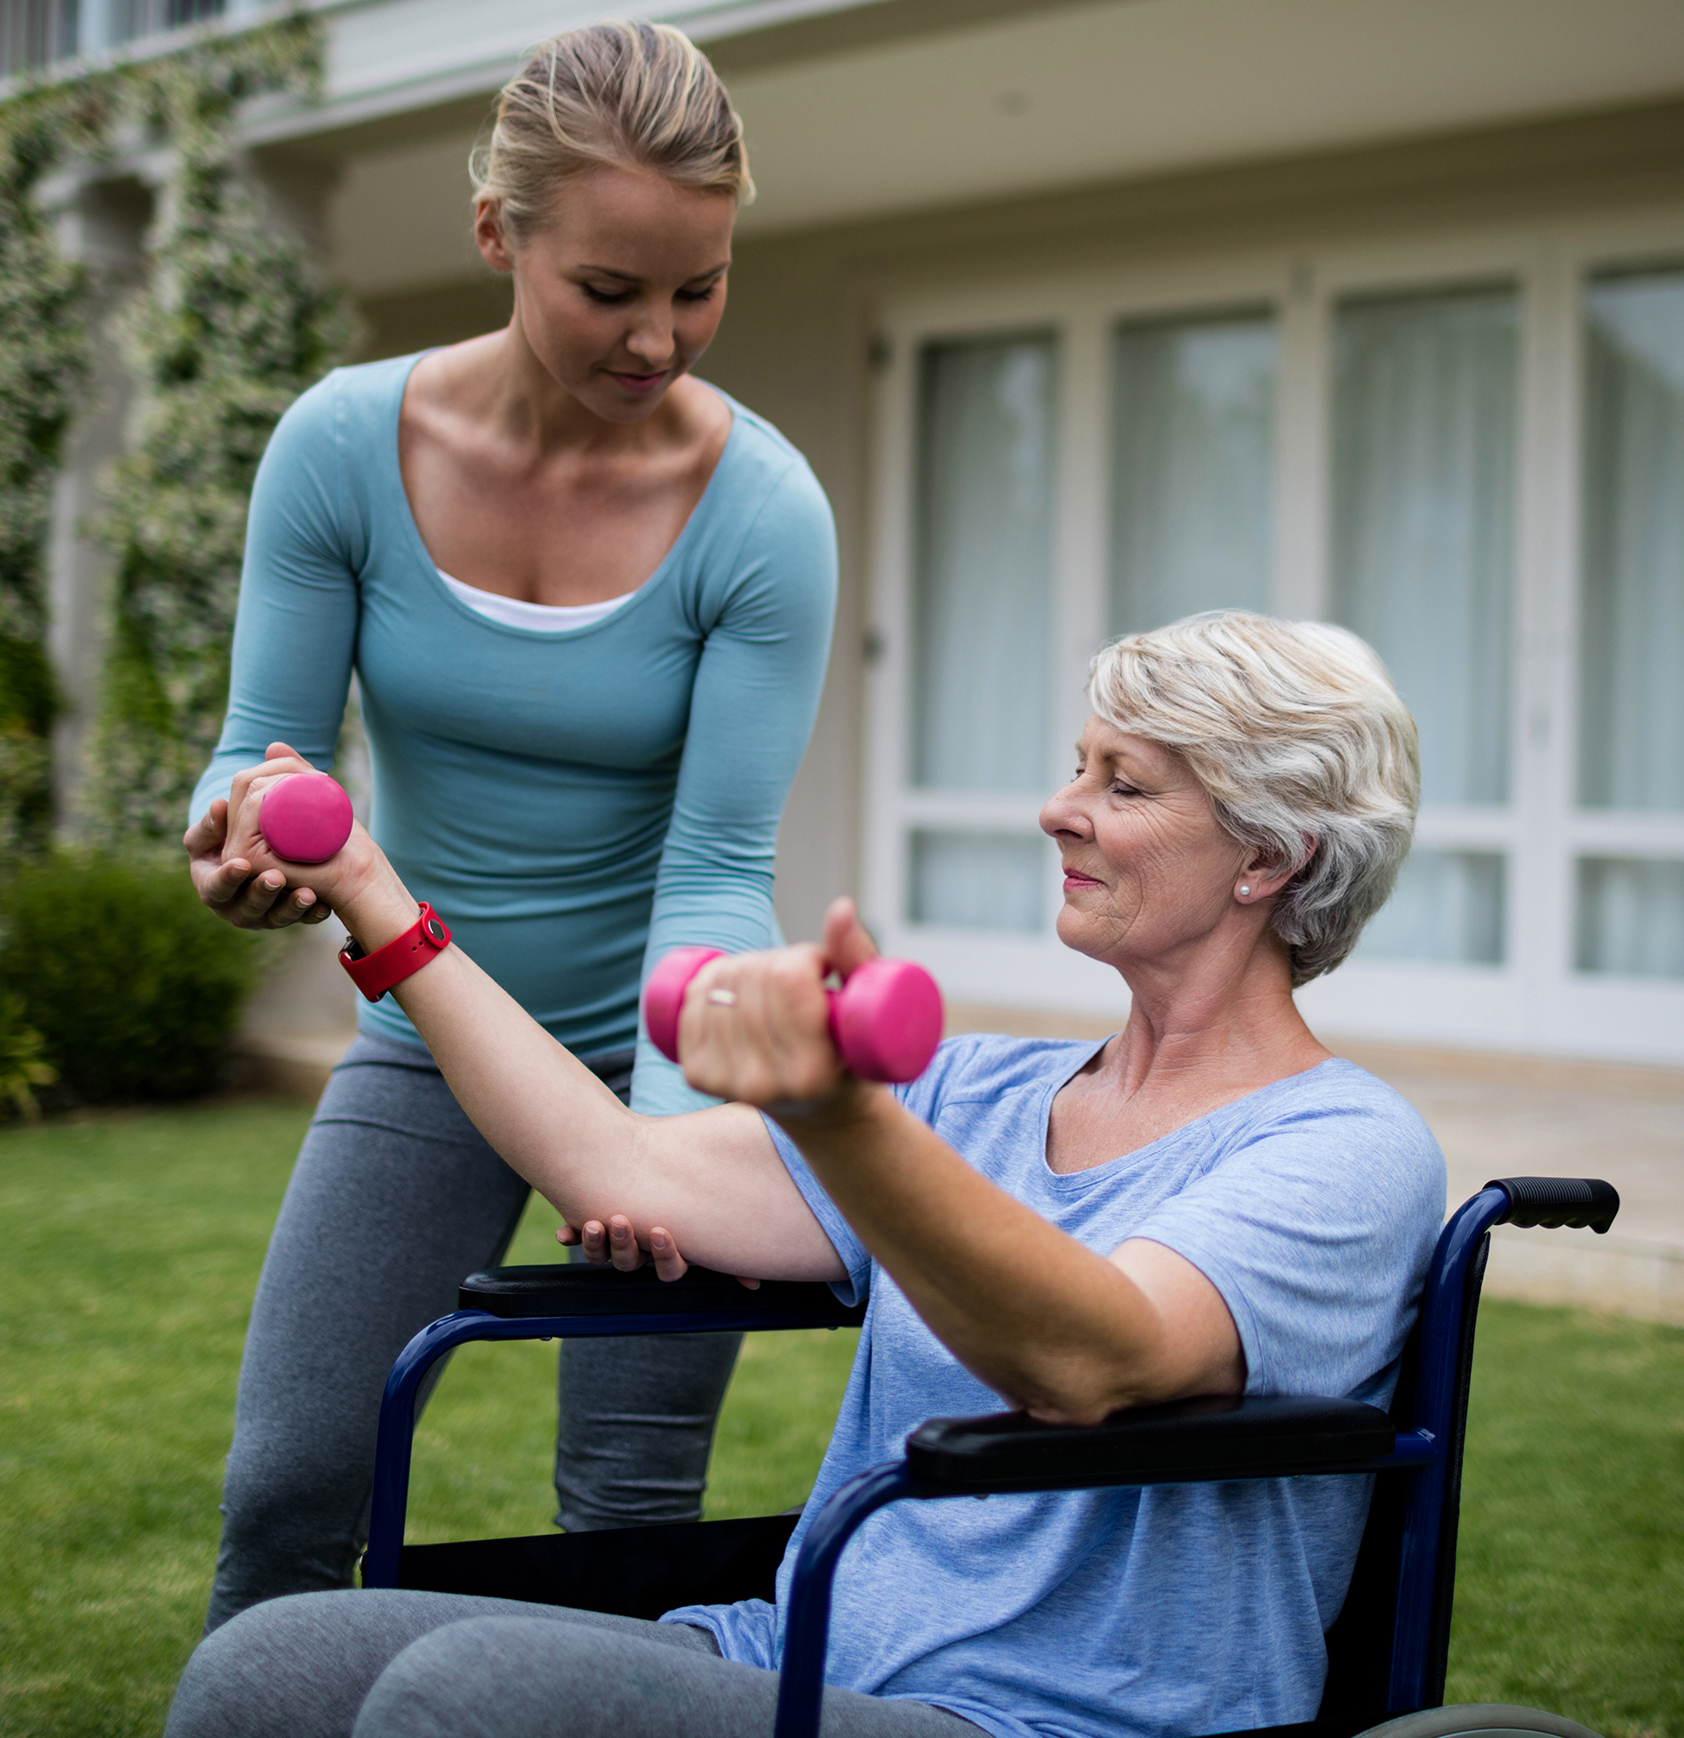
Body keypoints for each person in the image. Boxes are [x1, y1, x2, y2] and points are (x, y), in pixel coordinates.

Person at [168, 611, 1447, 1738]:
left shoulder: (1341, 1148)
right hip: (795, 1657)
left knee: (469, 1699)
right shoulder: (972, 1092)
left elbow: (1094, 1358)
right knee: (270, 1665)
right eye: (1076, 768)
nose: (1060, 809)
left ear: (1266, 858)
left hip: (1055, 1718)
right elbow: (618, 1162)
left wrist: (836, 1112)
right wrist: (377, 896)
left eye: (1125, 785)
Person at [180, 20, 835, 1634]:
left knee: (621, 1515)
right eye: (608, 290)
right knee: (286, 1484)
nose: (660, 338)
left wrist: (660, 1148)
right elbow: (247, 761)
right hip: (430, 1027)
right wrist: (237, 837)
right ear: (496, 238)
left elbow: (717, 869)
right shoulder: (340, 451)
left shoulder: (763, 515)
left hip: (668, 1046)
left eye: (700, 286)